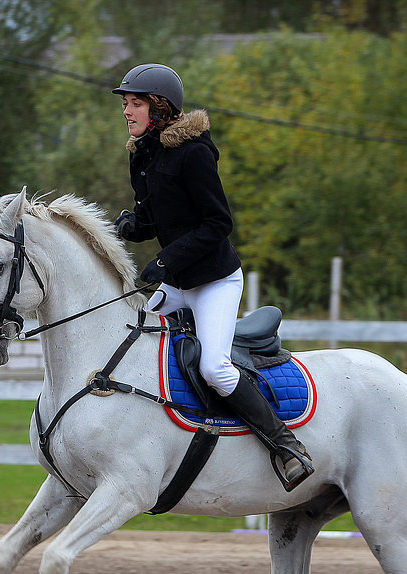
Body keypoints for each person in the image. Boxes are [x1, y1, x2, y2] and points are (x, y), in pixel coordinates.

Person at [111, 63, 314, 491]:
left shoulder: (194, 153)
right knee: (131, 336)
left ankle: (285, 445)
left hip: (214, 283)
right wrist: (135, 226)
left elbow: (217, 223)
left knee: (216, 368)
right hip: (179, 282)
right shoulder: (143, 154)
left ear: (160, 107)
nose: (127, 112)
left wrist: (165, 262)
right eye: (126, 104)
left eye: (136, 103)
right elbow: (156, 214)